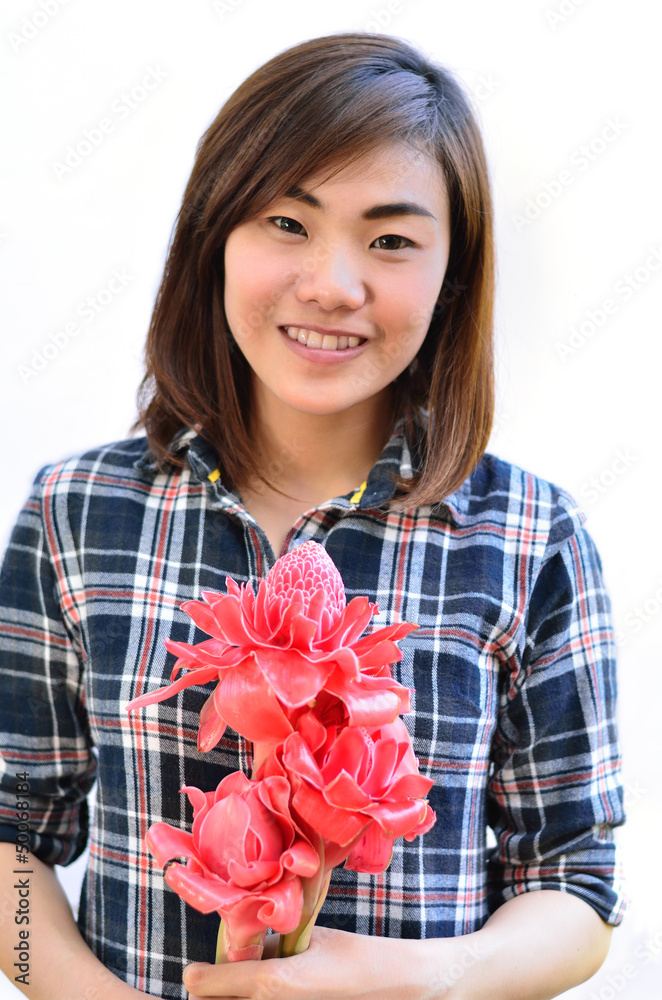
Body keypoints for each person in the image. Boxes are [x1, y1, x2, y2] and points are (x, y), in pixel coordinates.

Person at [0, 30, 625, 1000]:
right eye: (287, 222)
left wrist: (428, 979)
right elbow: (10, 841)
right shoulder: (73, 514)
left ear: (452, 275)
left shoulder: (532, 539)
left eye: (390, 240)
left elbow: (576, 885)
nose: (333, 284)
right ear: (214, 237)